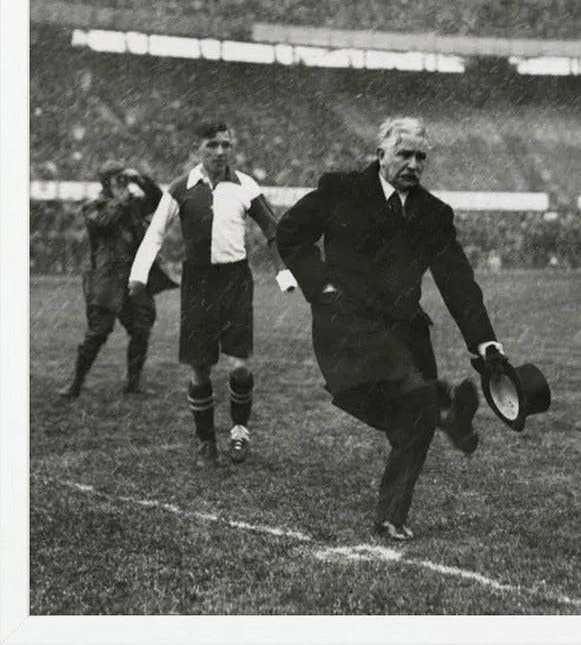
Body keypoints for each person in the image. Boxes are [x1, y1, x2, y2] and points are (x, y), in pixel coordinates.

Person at [276, 116, 506, 542]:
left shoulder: (434, 214)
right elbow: (290, 233)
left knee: (412, 424)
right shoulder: (341, 190)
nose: (414, 164)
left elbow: (457, 280)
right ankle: (442, 405)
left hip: (404, 330)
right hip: (346, 324)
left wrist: (485, 342)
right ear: (380, 153)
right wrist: (319, 284)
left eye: (421, 156)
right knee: (400, 392)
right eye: (405, 154)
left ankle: (391, 516)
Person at [128, 122, 297, 467]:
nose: (220, 152)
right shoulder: (181, 188)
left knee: (239, 367)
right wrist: (138, 276)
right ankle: (206, 442)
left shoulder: (244, 185)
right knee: (200, 369)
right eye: (212, 145)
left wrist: (283, 271)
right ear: (197, 149)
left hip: (235, 280)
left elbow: (272, 230)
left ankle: (239, 431)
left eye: (225, 145)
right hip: (198, 284)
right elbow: (155, 235)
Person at [57, 161, 177, 399]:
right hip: (106, 278)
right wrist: (122, 200)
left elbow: (159, 201)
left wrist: (141, 179)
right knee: (99, 331)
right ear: (106, 184)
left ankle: (133, 382)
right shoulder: (93, 206)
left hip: (132, 276)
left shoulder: (133, 205)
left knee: (141, 328)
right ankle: (76, 382)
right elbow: (104, 222)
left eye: (124, 180)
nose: (123, 185)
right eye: (118, 180)